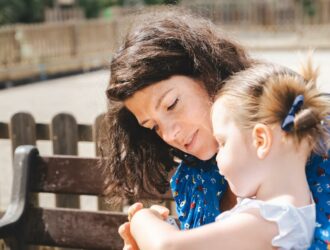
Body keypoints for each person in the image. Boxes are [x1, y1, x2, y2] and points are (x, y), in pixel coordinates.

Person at [99, 8, 330, 250]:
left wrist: (142, 221)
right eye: (153, 126)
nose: (170, 134)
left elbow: (169, 246)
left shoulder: (311, 145)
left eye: (171, 104)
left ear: (206, 73)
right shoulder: (193, 179)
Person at [125, 63, 329, 250]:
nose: (218, 157)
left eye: (222, 143)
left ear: (261, 140)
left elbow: (167, 246)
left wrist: (142, 219)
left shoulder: (272, 219)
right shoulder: (289, 214)